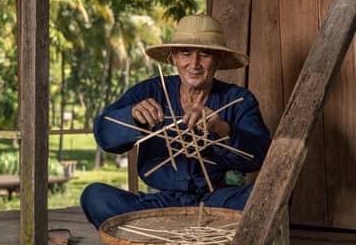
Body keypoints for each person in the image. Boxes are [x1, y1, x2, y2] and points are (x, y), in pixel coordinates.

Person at [80, 13, 271, 229]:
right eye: (185, 53)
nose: (194, 63)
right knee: (95, 196)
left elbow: (258, 157)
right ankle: (197, 234)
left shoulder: (239, 99)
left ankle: (158, 234)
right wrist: (132, 117)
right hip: (160, 205)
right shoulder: (150, 91)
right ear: (173, 57)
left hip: (218, 203)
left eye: (205, 54)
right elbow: (104, 135)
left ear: (218, 59)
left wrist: (222, 128)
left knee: (272, 192)